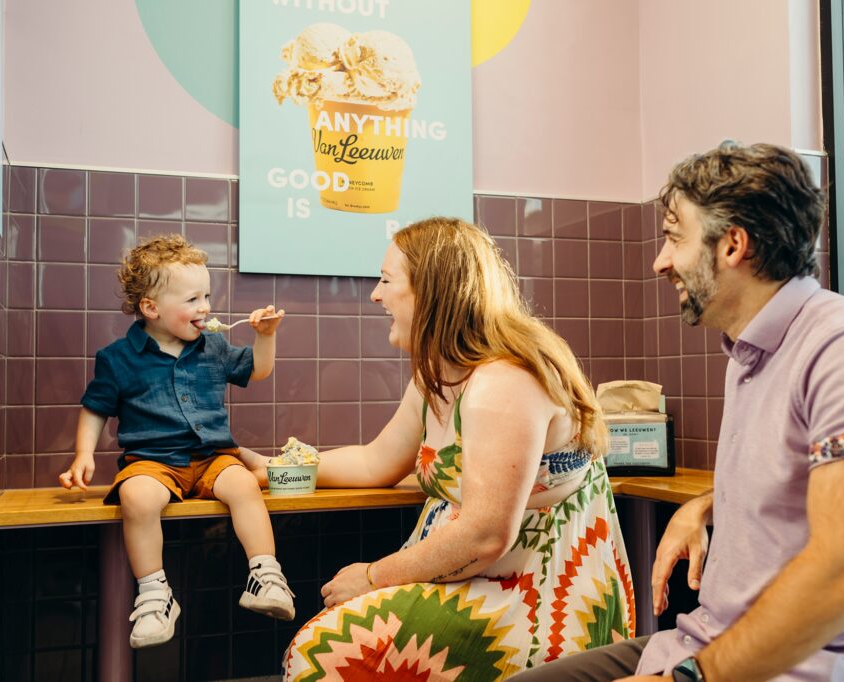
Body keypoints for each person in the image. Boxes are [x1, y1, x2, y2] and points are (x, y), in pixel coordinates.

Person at [512, 142, 844, 681]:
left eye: (674, 238)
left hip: (822, 665)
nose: (660, 261)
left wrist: (688, 679)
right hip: (710, 638)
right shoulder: (752, 351)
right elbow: (811, 477)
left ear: (733, 245)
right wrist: (706, 504)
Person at [239, 217, 634, 679]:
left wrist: (372, 577)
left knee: (325, 651)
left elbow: (485, 534)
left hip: (530, 596)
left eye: (387, 281)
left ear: (432, 291)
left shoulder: (504, 380)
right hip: (474, 576)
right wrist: (273, 468)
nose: (375, 294)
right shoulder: (438, 374)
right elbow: (375, 462)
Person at [58, 234, 296, 649]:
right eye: (192, 299)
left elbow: (257, 370)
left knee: (243, 485)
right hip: (151, 460)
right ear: (151, 308)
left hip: (212, 457)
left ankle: (266, 575)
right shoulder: (117, 358)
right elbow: (95, 407)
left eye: (206, 295)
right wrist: (83, 454)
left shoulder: (215, 345)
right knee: (137, 499)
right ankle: (155, 594)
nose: (205, 307)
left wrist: (267, 335)